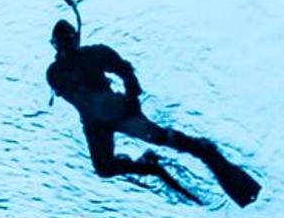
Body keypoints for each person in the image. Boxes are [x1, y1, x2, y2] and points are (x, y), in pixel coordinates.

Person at [45, 17, 260, 205]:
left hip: (116, 112)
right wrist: (128, 94)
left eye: (67, 40)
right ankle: (149, 165)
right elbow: (120, 72)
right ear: (56, 45)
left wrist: (130, 97)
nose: (65, 45)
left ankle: (200, 149)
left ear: (74, 39)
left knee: (159, 138)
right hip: (97, 122)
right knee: (104, 168)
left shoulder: (89, 56)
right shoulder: (58, 71)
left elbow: (125, 70)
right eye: (60, 42)